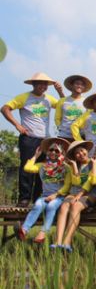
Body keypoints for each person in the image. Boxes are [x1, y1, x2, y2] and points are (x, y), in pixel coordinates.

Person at [1, 72, 64, 207]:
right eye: (40, 83)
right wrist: (17, 125)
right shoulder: (24, 97)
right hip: (29, 138)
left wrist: (60, 92)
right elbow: (5, 108)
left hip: (45, 140)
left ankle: (37, 198)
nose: (43, 86)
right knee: (26, 168)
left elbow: (65, 106)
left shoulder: (49, 99)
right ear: (34, 84)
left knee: (43, 169)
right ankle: (24, 198)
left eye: (45, 84)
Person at [16, 138, 71, 243]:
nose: (53, 152)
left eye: (56, 151)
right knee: (37, 205)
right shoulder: (42, 166)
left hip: (59, 196)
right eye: (51, 150)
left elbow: (67, 186)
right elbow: (27, 168)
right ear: (47, 151)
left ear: (61, 153)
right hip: (45, 195)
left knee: (51, 206)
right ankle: (24, 230)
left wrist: (55, 195)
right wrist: (36, 156)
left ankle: (43, 233)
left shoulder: (66, 168)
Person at [53, 140, 96, 251]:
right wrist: (74, 167)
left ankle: (67, 242)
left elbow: (91, 181)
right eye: (77, 153)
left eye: (82, 150)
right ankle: (57, 242)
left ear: (87, 150)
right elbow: (74, 183)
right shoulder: (74, 165)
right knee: (64, 207)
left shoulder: (94, 162)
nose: (80, 154)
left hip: (89, 193)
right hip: (74, 193)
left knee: (75, 206)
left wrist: (80, 195)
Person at [55, 74, 91, 142]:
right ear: (71, 85)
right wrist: (60, 128)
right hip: (64, 136)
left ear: (84, 88)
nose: (79, 86)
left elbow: (89, 119)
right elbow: (57, 118)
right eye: (77, 84)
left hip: (80, 136)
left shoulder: (86, 102)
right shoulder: (62, 101)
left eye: (82, 84)